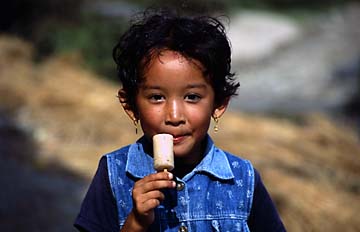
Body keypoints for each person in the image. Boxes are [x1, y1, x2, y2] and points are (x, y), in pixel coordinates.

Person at [74, 9, 286, 232]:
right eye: (157, 97)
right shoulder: (114, 173)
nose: (174, 117)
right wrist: (135, 223)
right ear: (131, 106)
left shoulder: (243, 179)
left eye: (192, 97)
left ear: (219, 104)